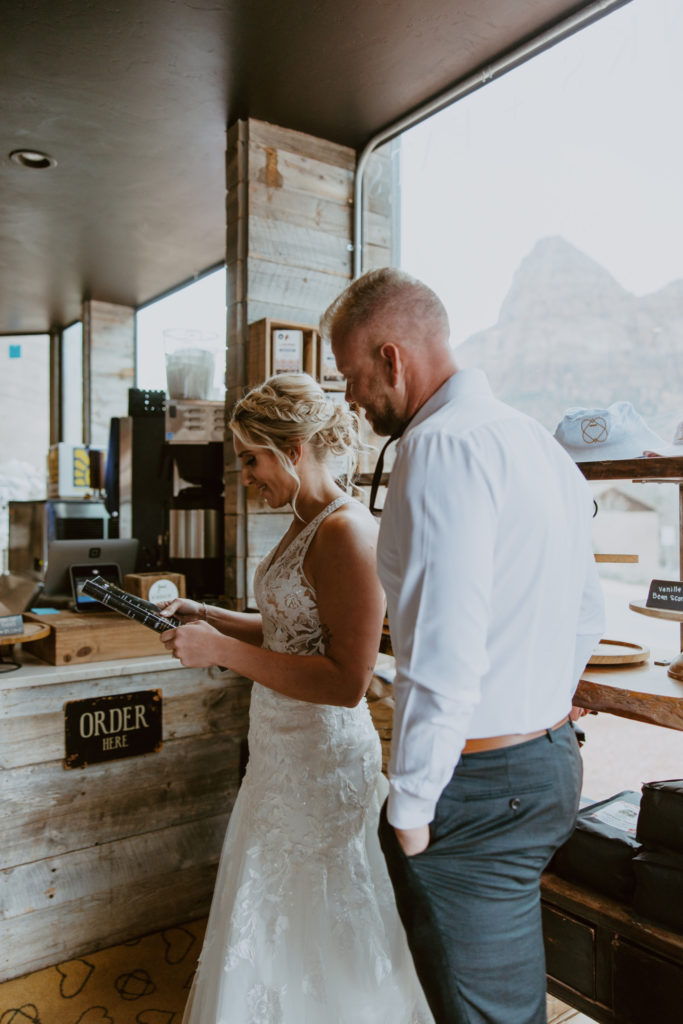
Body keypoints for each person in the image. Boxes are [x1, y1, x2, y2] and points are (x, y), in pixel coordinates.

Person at [322, 268, 605, 1024]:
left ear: (390, 358)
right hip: (547, 762)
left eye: (351, 377)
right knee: (499, 998)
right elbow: (586, 610)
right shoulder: (537, 446)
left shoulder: (439, 447)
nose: (350, 398)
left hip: (475, 784)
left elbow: (441, 646)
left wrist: (411, 805)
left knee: (482, 1012)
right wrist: (547, 693)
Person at [158, 372, 434, 1024]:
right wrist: (213, 616)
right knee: (270, 912)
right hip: (279, 759)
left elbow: (345, 680)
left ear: (293, 448)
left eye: (251, 459)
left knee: (326, 916)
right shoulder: (301, 522)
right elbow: (293, 630)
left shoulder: (345, 533)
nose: (246, 475)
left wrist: (220, 653)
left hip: (323, 764)